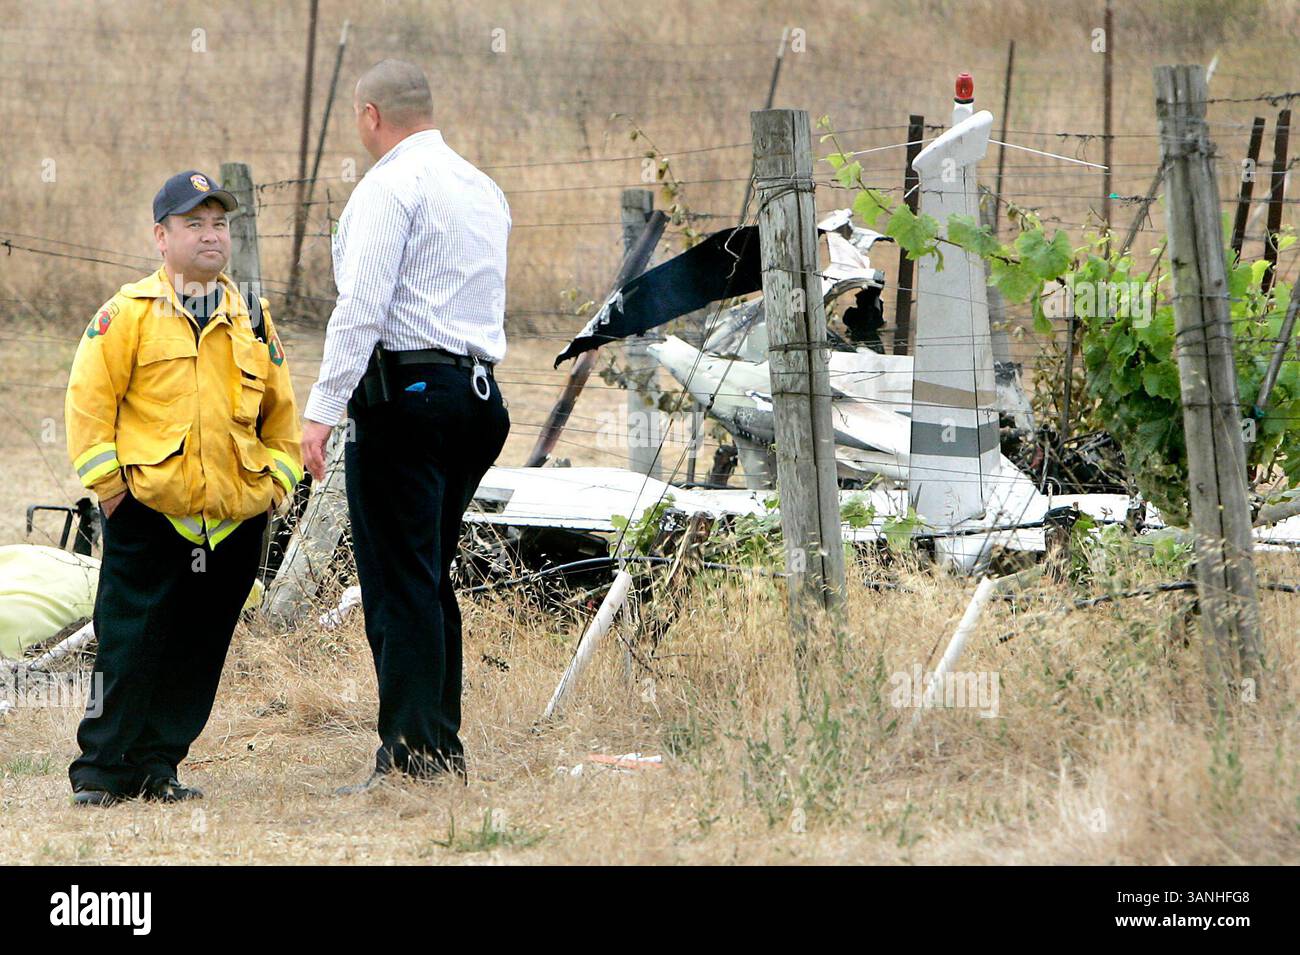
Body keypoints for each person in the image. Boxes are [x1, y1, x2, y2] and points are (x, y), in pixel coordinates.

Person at [300, 60, 511, 792]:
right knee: (427, 574)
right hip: (478, 400)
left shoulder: (388, 188)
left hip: (409, 399)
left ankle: (414, 753)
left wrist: (322, 408)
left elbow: (359, 306)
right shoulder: (482, 189)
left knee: (398, 583)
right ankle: (439, 744)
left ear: (369, 114)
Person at [64, 170, 304, 806]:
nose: (210, 236)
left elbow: (281, 414)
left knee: (198, 650)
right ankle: (100, 769)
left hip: (232, 521)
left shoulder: (251, 315)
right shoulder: (127, 314)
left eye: (219, 223)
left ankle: (158, 765)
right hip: (152, 515)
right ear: (160, 237)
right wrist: (114, 494)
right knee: (126, 645)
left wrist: (276, 484)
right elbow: (88, 407)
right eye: (193, 224)